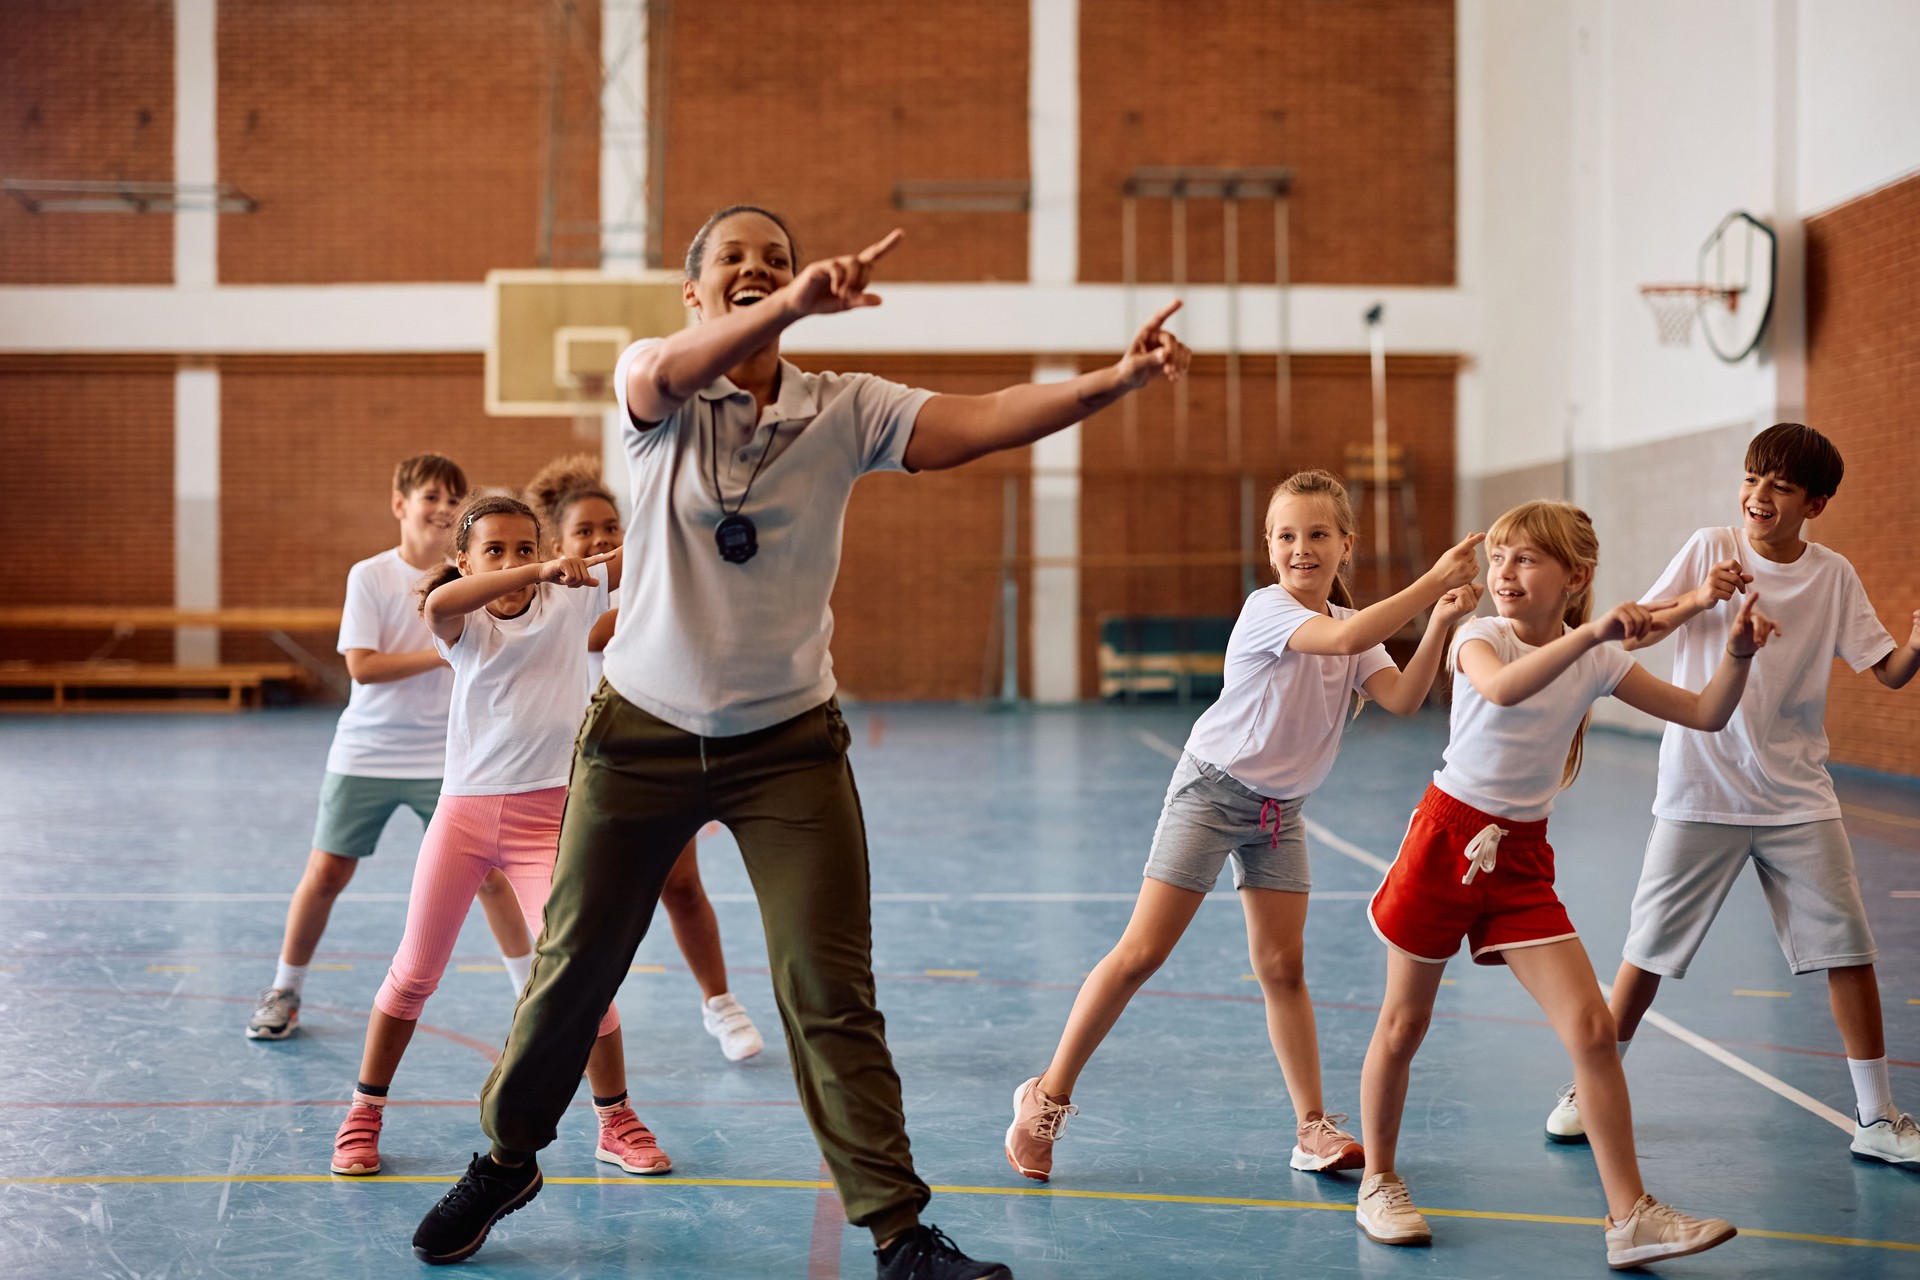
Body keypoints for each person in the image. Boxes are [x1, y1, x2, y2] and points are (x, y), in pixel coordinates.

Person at [409, 206, 1190, 1278]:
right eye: (733, 260)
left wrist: (1113, 381)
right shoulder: (654, 385)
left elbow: (985, 415)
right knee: (574, 966)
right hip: (639, 734)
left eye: (773, 259)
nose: (756, 270)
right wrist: (789, 300)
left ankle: (899, 1230)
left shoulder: (847, 407)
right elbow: (673, 371)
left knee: (831, 987)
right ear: (695, 291)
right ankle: (508, 1155)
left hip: (788, 744)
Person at [1005, 469, 1484, 1183]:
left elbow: (1405, 698)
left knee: (1284, 967)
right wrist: (1428, 582)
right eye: (1287, 536)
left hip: (1278, 814)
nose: (1302, 548)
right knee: (1141, 953)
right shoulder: (1270, 610)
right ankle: (1044, 1096)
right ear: (1269, 547)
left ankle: (1311, 1128)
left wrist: (1439, 621)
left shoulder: (1354, 634)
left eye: (1318, 534)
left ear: (1346, 545)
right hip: (1211, 793)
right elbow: (1350, 630)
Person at [1357, 500, 1772, 1269]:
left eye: (1525, 560)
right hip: (1444, 841)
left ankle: (1631, 1217)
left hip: (1520, 858)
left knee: (1590, 1029)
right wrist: (1596, 633)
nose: (1503, 574)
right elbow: (1505, 690)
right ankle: (1378, 1180)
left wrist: (1739, 655)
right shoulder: (1479, 635)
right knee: (1402, 1026)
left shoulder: (1599, 656)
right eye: (1499, 558)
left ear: (1573, 577)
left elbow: (1706, 714)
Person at [1541, 423, 1920, 1164]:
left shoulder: (1833, 574)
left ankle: (1878, 1118)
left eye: (1778, 486)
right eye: (1752, 479)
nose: (1758, 496)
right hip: (1700, 788)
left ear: (1816, 501)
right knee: (1646, 954)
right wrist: (1696, 596)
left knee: (1849, 950)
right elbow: (1634, 635)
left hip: (1797, 797)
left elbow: (1889, 671)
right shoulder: (1711, 547)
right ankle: (1588, 1089)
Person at [331, 493, 669, 1184]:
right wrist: (544, 568)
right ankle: (363, 1113)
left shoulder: (571, 601)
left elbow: (651, 555)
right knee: (414, 972)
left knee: (583, 975)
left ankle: (616, 1120)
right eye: (495, 550)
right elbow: (443, 604)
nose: (513, 561)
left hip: (546, 820)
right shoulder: (456, 617)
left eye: (524, 547)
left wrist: (687, 507)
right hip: (463, 817)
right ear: (463, 561)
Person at [246, 454, 532, 1040]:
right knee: (326, 872)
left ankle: (531, 999)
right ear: (400, 505)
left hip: (450, 758)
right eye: (431, 496)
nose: (443, 508)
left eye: (455, 499)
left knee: (492, 881)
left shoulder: (482, 582)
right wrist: (446, 648)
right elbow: (363, 667)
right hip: (368, 752)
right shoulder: (371, 577)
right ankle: (285, 989)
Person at [527, 455, 763, 1062]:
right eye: (585, 532)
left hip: (652, 757)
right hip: (574, 773)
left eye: (611, 527)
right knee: (577, 905)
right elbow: (597, 634)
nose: (601, 539)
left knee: (682, 887)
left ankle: (721, 1004)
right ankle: (560, 1015)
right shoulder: (550, 601)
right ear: (559, 545)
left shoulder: (655, 581)